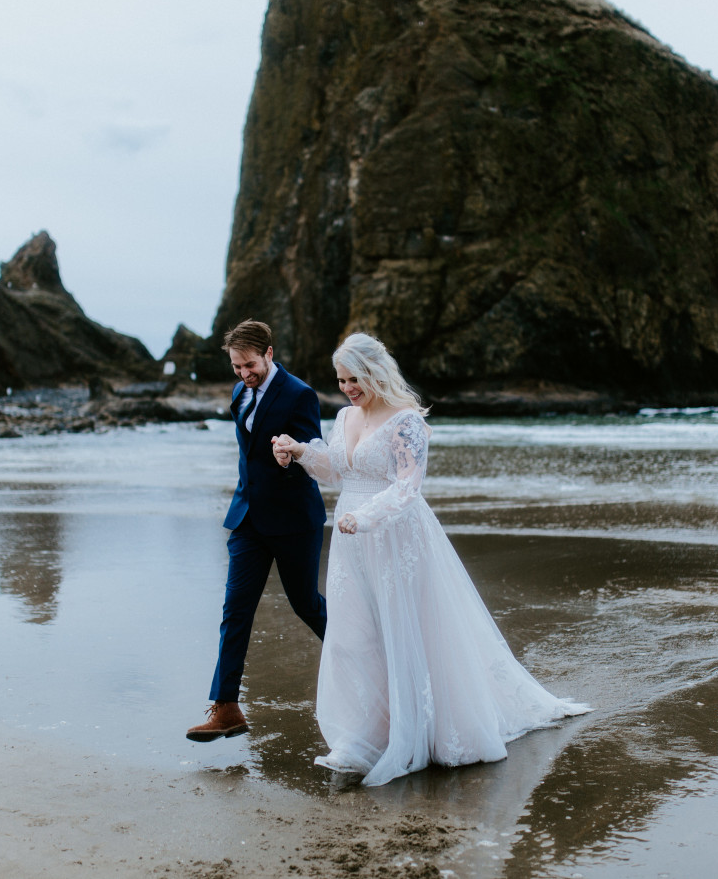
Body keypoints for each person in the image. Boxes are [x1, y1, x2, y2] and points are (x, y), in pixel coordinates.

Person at [272, 333, 589, 785]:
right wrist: (300, 452)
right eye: (341, 381)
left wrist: (365, 516)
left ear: (374, 372)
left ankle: (425, 728)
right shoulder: (344, 416)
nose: (347, 388)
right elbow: (337, 469)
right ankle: (362, 736)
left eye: (354, 379)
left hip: (394, 536)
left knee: (408, 631)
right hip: (350, 540)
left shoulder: (407, 422)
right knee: (354, 636)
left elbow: (407, 487)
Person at [186, 320, 328, 742]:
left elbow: (316, 453)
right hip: (247, 518)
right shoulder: (238, 392)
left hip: (293, 520)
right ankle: (226, 706)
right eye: (236, 367)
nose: (244, 374)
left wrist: (292, 457)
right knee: (235, 610)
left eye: (249, 365)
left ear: (269, 353)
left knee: (306, 605)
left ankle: (368, 666)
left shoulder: (300, 394)